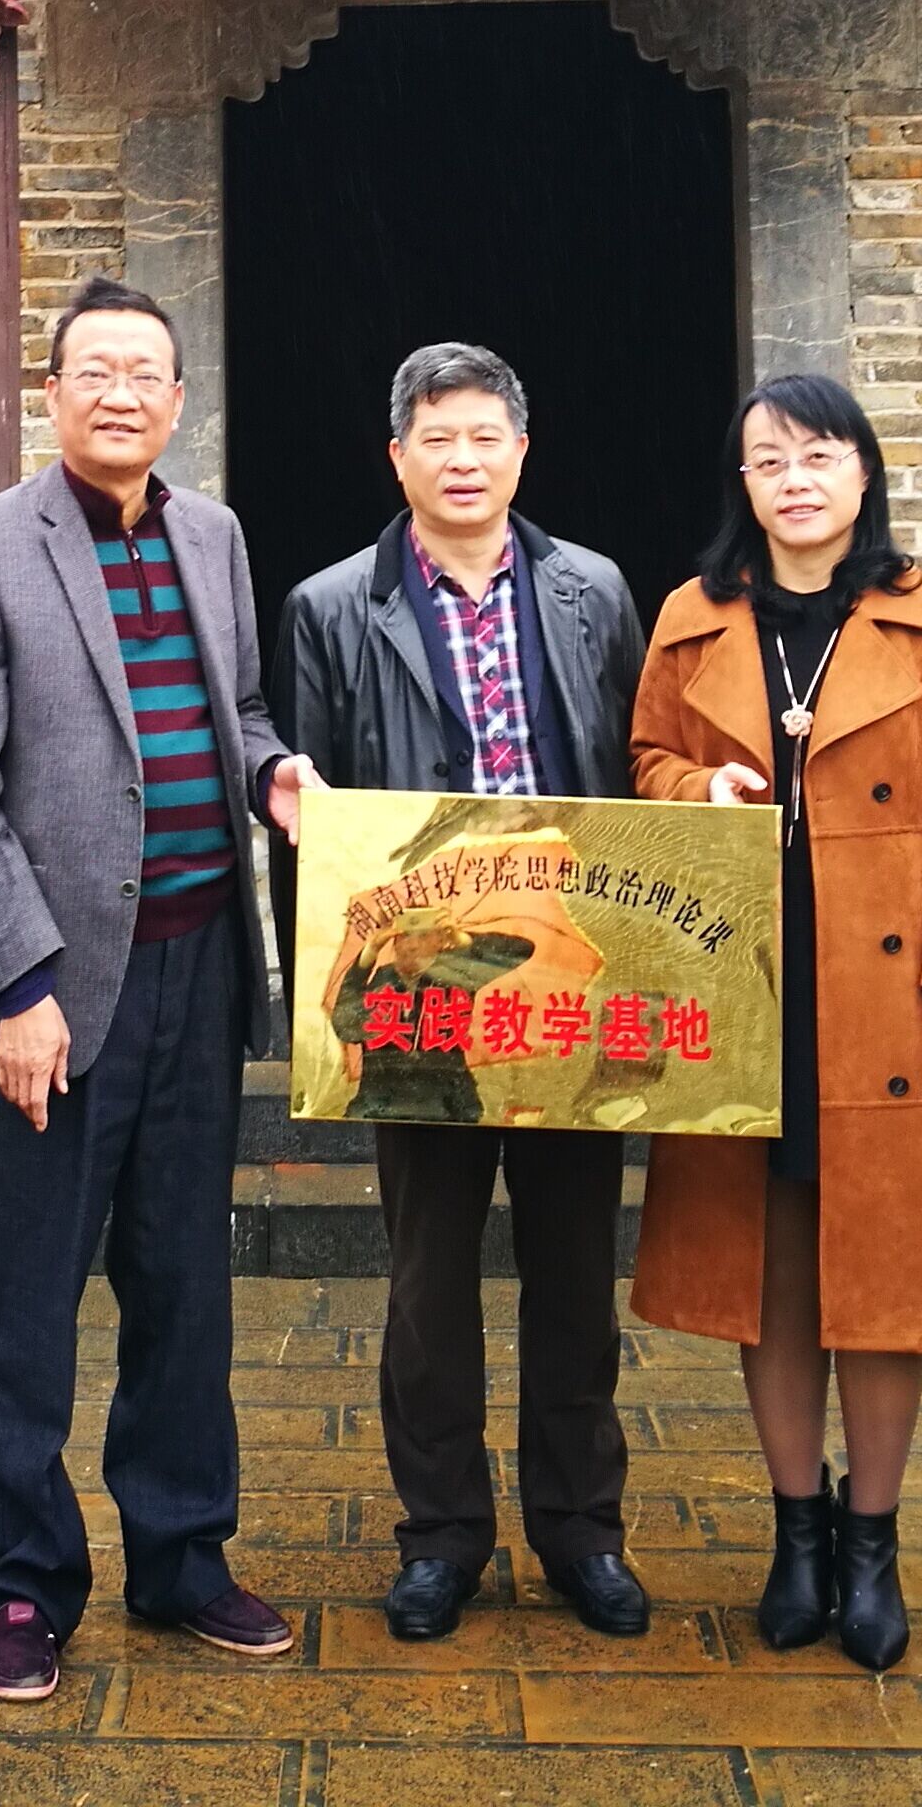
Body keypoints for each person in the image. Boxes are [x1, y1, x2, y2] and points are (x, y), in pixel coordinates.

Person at [0, 274, 315, 1705]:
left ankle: (183, 1554)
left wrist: (274, 775)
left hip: (200, 968)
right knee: (32, 1288)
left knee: (183, 1278)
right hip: (55, 991)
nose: (122, 393)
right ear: (54, 392)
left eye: (147, 373)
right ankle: (24, 1582)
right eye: (96, 371)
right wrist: (21, 985)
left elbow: (239, 710)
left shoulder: (213, 534)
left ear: (179, 399)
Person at [280, 342, 651, 1643]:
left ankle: (581, 1530)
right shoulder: (334, 605)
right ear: (398, 458)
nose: (463, 459)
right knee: (428, 1281)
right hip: (420, 994)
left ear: (521, 452)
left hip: (563, 980)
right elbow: (304, 788)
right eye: (436, 438)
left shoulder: (593, 590)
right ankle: (440, 1534)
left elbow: (635, 763)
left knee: (576, 1274)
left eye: (486, 435)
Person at [625, 372, 922, 1673]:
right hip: (745, 983)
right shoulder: (693, 616)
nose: (795, 479)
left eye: (820, 455)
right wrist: (698, 786)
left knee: (881, 1279)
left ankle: (872, 1540)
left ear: (863, 471)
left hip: (883, 991)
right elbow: (642, 763)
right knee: (768, 1273)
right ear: (744, 482)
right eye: (769, 459)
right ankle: (796, 1532)